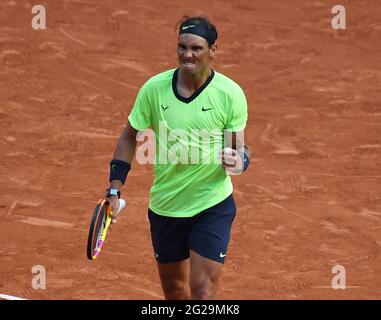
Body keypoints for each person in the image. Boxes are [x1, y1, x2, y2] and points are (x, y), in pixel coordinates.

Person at [104, 15, 250, 300]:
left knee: (202, 291)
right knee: (174, 292)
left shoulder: (230, 94)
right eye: (182, 47)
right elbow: (128, 136)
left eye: (196, 48)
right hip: (166, 206)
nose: (187, 54)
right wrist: (114, 187)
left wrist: (239, 161)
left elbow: (238, 149)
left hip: (212, 204)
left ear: (213, 50)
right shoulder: (154, 89)